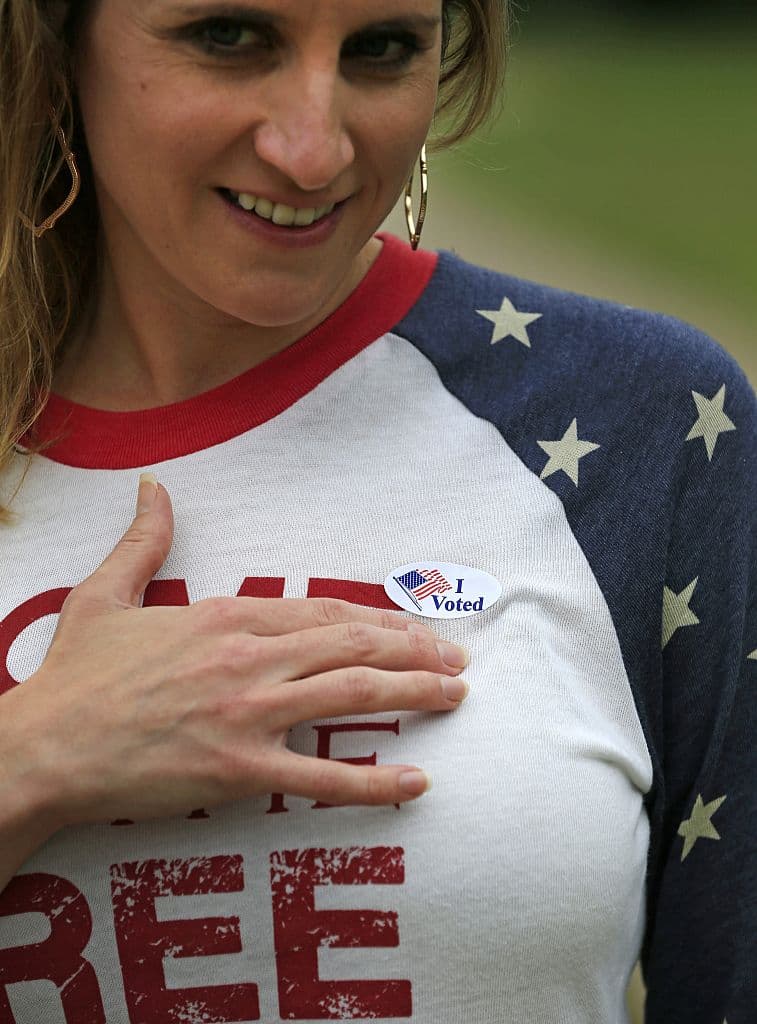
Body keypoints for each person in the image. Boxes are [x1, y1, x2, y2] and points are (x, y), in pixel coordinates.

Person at [0, 1, 753, 1022]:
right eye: (229, 37)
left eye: (381, 50)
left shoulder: (642, 425)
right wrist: (34, 757)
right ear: (56, 39)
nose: (311, 151)